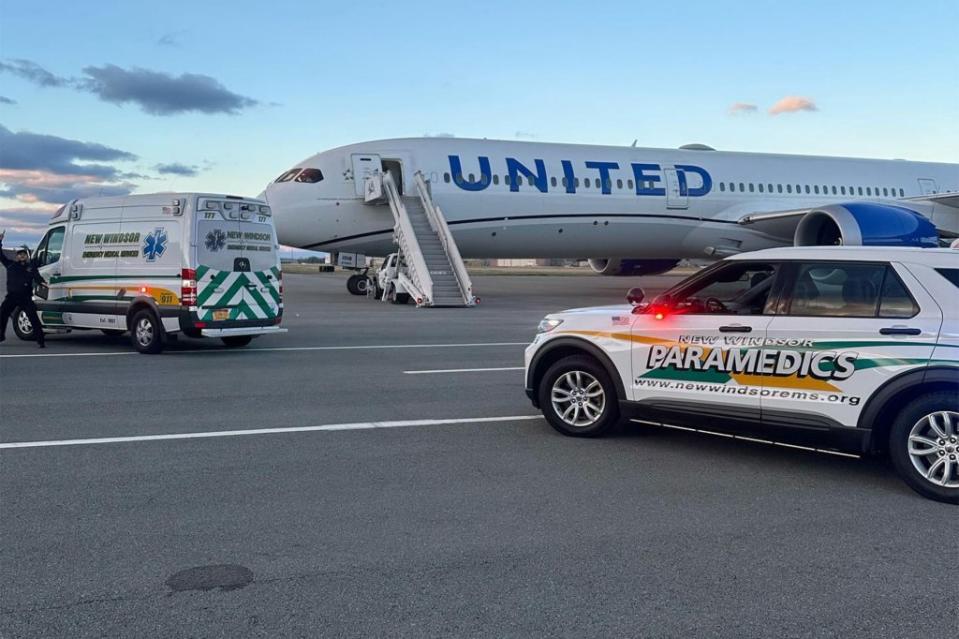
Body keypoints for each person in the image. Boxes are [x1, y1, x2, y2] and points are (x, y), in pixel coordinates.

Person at [0, 231, 46, 347]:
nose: (21, 256)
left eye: (24, 254)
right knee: (2, 314)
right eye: (19, 254)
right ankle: (1, 336)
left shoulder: (31, 267)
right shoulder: (10, 265)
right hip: (11, 297)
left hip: (25, 297)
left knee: (33, 318)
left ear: (27, 255)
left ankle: (40, 340)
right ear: (16, 256)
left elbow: (37, 277)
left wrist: (42, 282)